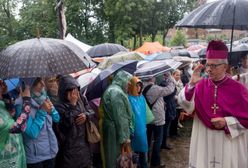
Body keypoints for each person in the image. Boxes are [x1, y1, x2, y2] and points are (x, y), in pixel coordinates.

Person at [178, 40, 248, 168]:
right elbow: (185, 104)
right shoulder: (200, 85)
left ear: (225, 66)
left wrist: (227, 122)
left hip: (228, 143)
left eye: (214, 66)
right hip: (203, 142)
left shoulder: (238, 89)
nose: (209, 70)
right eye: (208, 65)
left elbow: (246, 119)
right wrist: (192, 84)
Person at [15, 77, 60, 168]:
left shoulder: (43, 97)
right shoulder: (21, 105)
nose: (43, 84)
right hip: (35, 158)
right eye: (38, 82)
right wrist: (43, 111)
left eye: (42, 80)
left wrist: (52, 110)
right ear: (29, 85)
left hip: (50, 151)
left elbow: (57, 118)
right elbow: (31, 133)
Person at [55, 75, 91, 168]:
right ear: (64, 91)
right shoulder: (59, 105)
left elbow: (90, 110)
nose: (75, 93)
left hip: (84, 145)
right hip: (69, 148)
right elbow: (66, 124)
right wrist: (73, 105)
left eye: (76, 89)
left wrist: (86, 115)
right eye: (71, 90)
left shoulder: (81, 99)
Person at [100, 70, 133, 168]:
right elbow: (120, 117)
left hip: (113, 129)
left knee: (112, 156)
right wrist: (124, 138)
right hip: (115, 131)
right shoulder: (116, 92)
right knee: (116, 158)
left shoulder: (113, 89)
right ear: (122, 79)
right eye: (128, 80)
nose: (130, 83)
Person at [142, 74, 175, 168]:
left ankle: (146, 159)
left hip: (148, 117)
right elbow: (170, 89)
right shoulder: (155, 88)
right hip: (157, 118)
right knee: (157, 140)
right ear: (152, 78)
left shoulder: (142, 87)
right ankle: (155, 163)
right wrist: (170, 77)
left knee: (148, 140)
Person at [0, 80, 27, 168]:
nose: (2, 86)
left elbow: (10, 112)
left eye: (1, 83)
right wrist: (27, 100)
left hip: (16, 159)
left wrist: (5, 94)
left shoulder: (1, 104)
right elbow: (18, 128)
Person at [128, 76, 150, 168]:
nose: (138, 88)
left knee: (143, 154)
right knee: (135, 156)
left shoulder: (141, 98)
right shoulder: (128, 99)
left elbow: (146, 114)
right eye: (136, 85)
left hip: (142, 130)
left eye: (140, 86)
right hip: (134, 131)